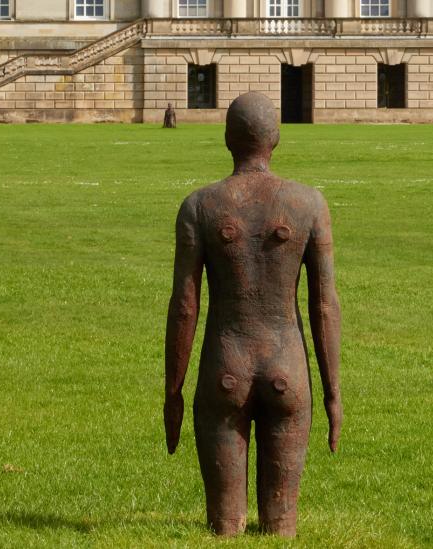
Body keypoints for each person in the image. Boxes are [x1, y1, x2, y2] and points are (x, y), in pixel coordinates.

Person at [164, 92, 342, 537]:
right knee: (282, 525)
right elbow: (324, 305)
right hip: (287, 365)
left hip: (226, 364)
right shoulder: (308, 204)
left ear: (227, 140)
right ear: (276, 139)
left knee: (225, 526)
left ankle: (229, 526)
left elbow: (185, 305)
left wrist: (174, 390)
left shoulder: (200, 206)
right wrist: (332, 393)